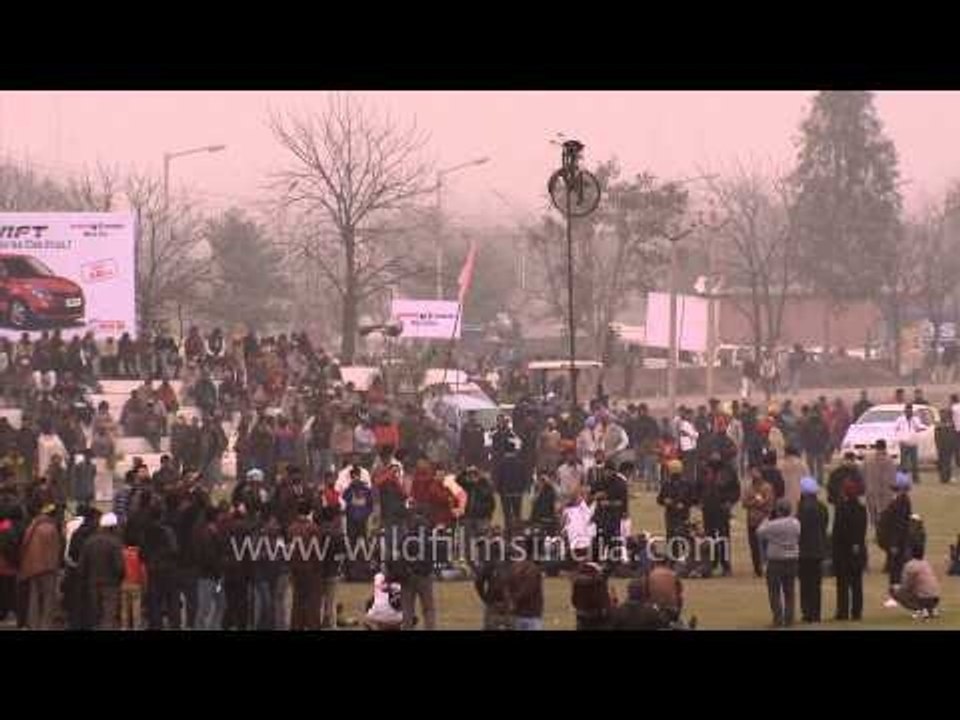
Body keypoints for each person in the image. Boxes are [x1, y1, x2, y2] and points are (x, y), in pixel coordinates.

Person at [757, 498, 800, 628]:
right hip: (792, 560)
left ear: (779, 511)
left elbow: (759, 532)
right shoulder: (796, 523)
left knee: (774, 592)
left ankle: (778, 618)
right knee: (789, 592)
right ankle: (789, 618)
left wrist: (766, 518)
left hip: (776, 561)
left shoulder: (773, 525)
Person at [695, 450, 739, 577]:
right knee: (710, 538)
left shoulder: (729, 472)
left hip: (722, 509)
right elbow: (697, 488)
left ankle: (726, 565)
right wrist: (699, 501)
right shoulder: (704, 472)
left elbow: (736, 490)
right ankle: (711, 564)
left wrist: (730, 502)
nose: (715, 457)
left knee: (724, 538)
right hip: (708, 510)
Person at [77, 512, 124, 629]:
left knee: (95, 615)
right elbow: (119, 567)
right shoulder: (115, 542)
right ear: (113, 527)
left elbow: (81, 566)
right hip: (110, 583)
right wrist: (120, 579)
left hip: (92, 583)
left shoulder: (89, 541)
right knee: (108, 615)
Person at [18, 503, 62, 629]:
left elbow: (24, 545)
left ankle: (33, 624)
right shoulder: (52, 528)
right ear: (52, 515)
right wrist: (56, 567)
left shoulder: (32, 526)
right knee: (48, 598)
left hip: (32, 567)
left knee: (34, 598)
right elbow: (56, 550)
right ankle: (45, 625)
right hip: (48, 568)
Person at [832, 478, 867, 621]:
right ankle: (857, 612)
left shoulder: (841, 509)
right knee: (857, 584)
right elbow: (862, 530)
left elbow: (838, 531)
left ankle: (843, 611)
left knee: (843, 584)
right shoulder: (861, 509)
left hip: (843, 552)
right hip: (858, 551)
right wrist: (857, 544)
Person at [796, 477, 828, 623]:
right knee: (816, 584)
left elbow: (798, 529)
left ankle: (807, 612)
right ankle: (816, 613)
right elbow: (824, 526)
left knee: (805, 584)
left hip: (804, 550)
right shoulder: (822, 508)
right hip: (818, 549)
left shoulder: (802, 508)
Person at [877, 472, 913, 591]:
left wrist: (894, 543)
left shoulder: (901, 502)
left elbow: (898, 525)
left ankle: (895, 593)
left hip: (897, 541)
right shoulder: (901, 500)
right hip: (897, 540)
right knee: (896, 568)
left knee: (896, 569)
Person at [887, 543, 941, 619]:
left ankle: (920, 610)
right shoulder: (926, 563)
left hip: (923, 598)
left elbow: (906, 585)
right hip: (936, 597)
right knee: (922, 589)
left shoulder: (910, 565)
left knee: (893, 589)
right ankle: (931, 609)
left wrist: (897, 588)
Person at [742, 464, 774, 578]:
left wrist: (754, 502)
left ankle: (767, 567)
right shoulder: (748, 488)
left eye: (756, 472)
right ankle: (757, 569)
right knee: (754, 546)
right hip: (751, 521)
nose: (753, 474)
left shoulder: (767, 487)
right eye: (752, 472)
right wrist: (756, 502)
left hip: (764, 521)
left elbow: (768, 504)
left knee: (765, 546)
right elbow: (744, 503)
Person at [506, 533, 544, 630]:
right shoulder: (533, 569)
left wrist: (511, 601)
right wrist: (515, 601)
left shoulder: (515, 567)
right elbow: (528, 590)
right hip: (531, 614)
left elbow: (508, 586)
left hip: (518, 613)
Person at [657, 459, 694, 553]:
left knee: (684, 536)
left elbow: (693, 499)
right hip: (671, 514)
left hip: (683, 515)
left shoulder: (687, 484)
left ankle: (686, 558)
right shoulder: (666, 484)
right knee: (671, 537)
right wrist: (665, 501)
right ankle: (673, 558)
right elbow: (659, 499)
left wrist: (684, 504)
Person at [863, 439, 896, 532]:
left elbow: (862, 473)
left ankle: (876, 531)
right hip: (885, 492)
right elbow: (892, 477)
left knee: (873, 513)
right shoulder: (889, 460)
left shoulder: (867, 459)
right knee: (884, 513)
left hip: (870, 490)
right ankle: (882, 532)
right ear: (885, 447)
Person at [894, 403, 927, 485]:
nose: (909, 412)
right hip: (904, 443)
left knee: (914, 462)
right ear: (905, 411)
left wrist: (922, 428)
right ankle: (902, 480)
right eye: (907, 410)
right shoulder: (900, 419)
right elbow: (895, 429)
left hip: (913, 443)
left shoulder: (915, 419)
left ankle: (916, 479)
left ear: (912, 411)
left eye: (910, 411)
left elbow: (919, 427)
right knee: (903, 463)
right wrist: (899, 438)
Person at [778, 446, 809, 514]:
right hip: (799, 492)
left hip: (786, 492)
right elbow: (807, 479)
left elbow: (780, 479)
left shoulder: (782, 465)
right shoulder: (802, 464)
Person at [934, 409, 955, 484]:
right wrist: (938, 445)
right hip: (941, 446)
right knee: (942, 462)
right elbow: (936, 436)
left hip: (949, 445)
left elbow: (953, 435)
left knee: (948, 462)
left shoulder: (951, 424)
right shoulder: (939, 425)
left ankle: (947, 477)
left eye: (944, 414)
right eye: (941, 414)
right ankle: (943, 478)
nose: (943, 416)